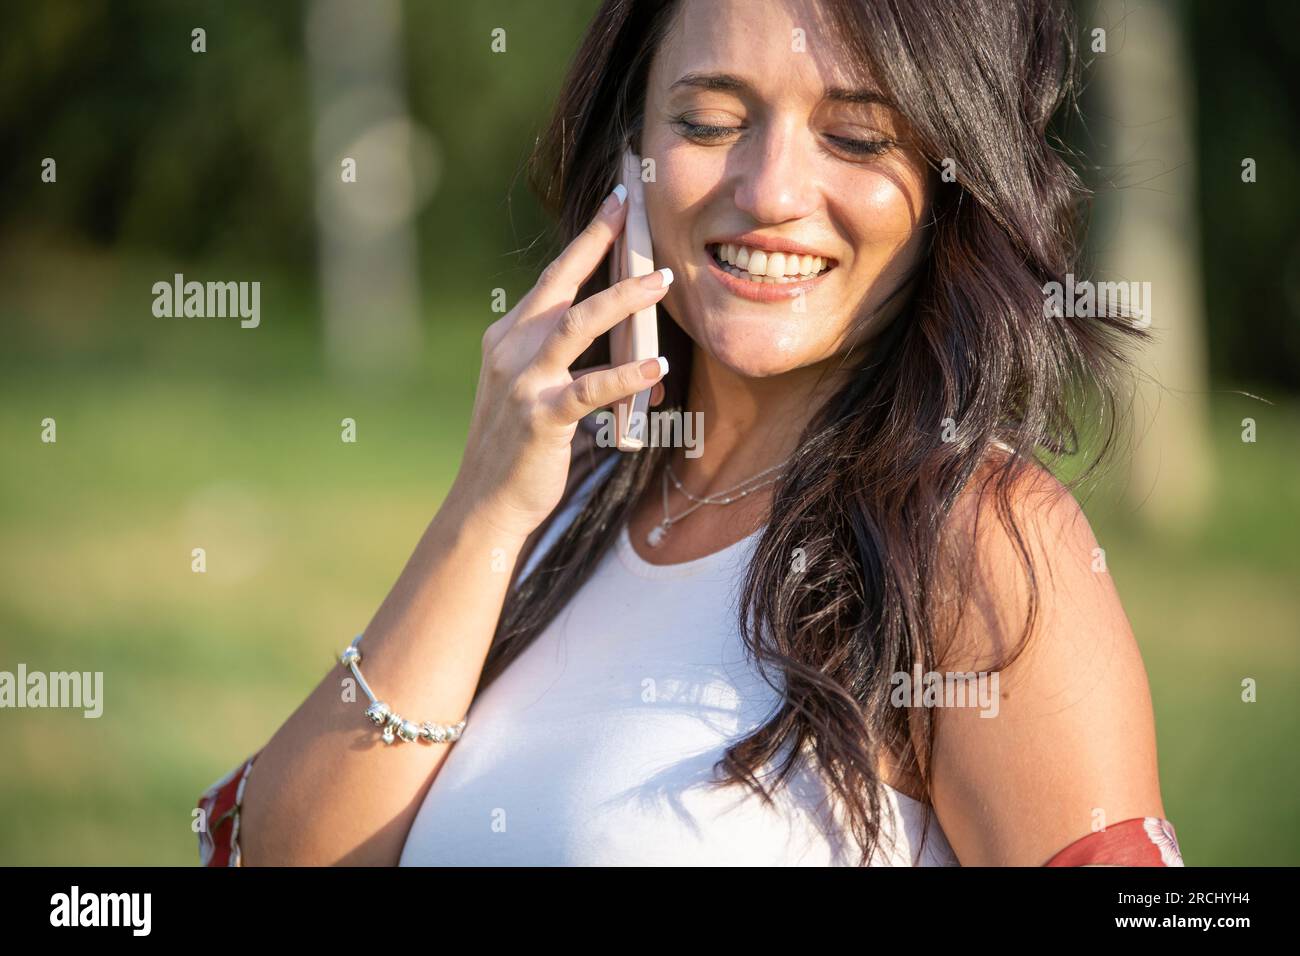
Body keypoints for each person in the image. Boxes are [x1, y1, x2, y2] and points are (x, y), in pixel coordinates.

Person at [199, 0, 1182, 867]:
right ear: (630, 146)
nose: (769, 191)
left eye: (856, 136)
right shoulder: (563, 497)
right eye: (709, 121)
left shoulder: (980, 541)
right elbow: (288, 855)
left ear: (947, 176)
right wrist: (484, 511)